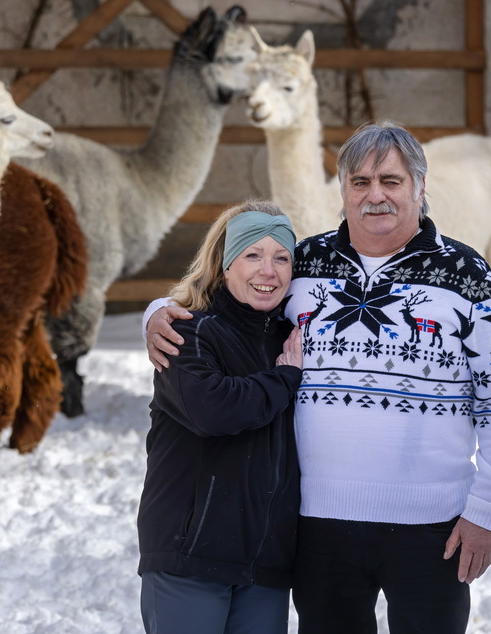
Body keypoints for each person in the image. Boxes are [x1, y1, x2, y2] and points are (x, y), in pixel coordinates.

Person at [145, 122, 491, 634]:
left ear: (420, 187)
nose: (375, 196)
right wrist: (159, 311)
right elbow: (235, 286)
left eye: (390, 181)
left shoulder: (466, 274)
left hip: (432, 526)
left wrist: (487, 511)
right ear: (342, 189)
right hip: (319, 526)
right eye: (360, 181)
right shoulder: (306, 263)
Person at [137, 200, 304, 634]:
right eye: (252, 254)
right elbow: (212, 409)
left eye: (281, 257)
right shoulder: (187, 330)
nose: (268, 271)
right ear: (224, 264)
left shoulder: (291, 339)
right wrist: (283, 379)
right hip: (190, 557)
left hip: (265, 565)